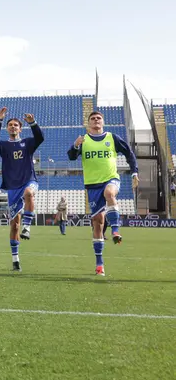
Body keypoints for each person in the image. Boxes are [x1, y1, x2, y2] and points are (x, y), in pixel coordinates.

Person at [67, 111, 139, 276]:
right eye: (92, 119)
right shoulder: (83, 140)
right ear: (88, 123)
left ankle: (115, 229)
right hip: (92, 186)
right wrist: (76, 145)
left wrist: (134, 172)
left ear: (103, 122)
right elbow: (71, 157)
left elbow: (129, 153)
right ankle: (99, 264)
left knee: (110, 193)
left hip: (111, 179)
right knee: (98, 222)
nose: (96, 120)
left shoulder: (112, 138)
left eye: (98, 118)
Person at [0, 107, 44, 272]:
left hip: (28, 180)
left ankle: (28, 227)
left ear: (20, 128)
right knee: (14, 226)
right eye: (10, 125)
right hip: (12, 187)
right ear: (7, 128)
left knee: (29, 193)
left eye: (16, 125)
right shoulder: (4, 145)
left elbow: (40, 137)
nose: (13, 127)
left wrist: (33, 123)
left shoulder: (27, 143)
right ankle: (15, 260)